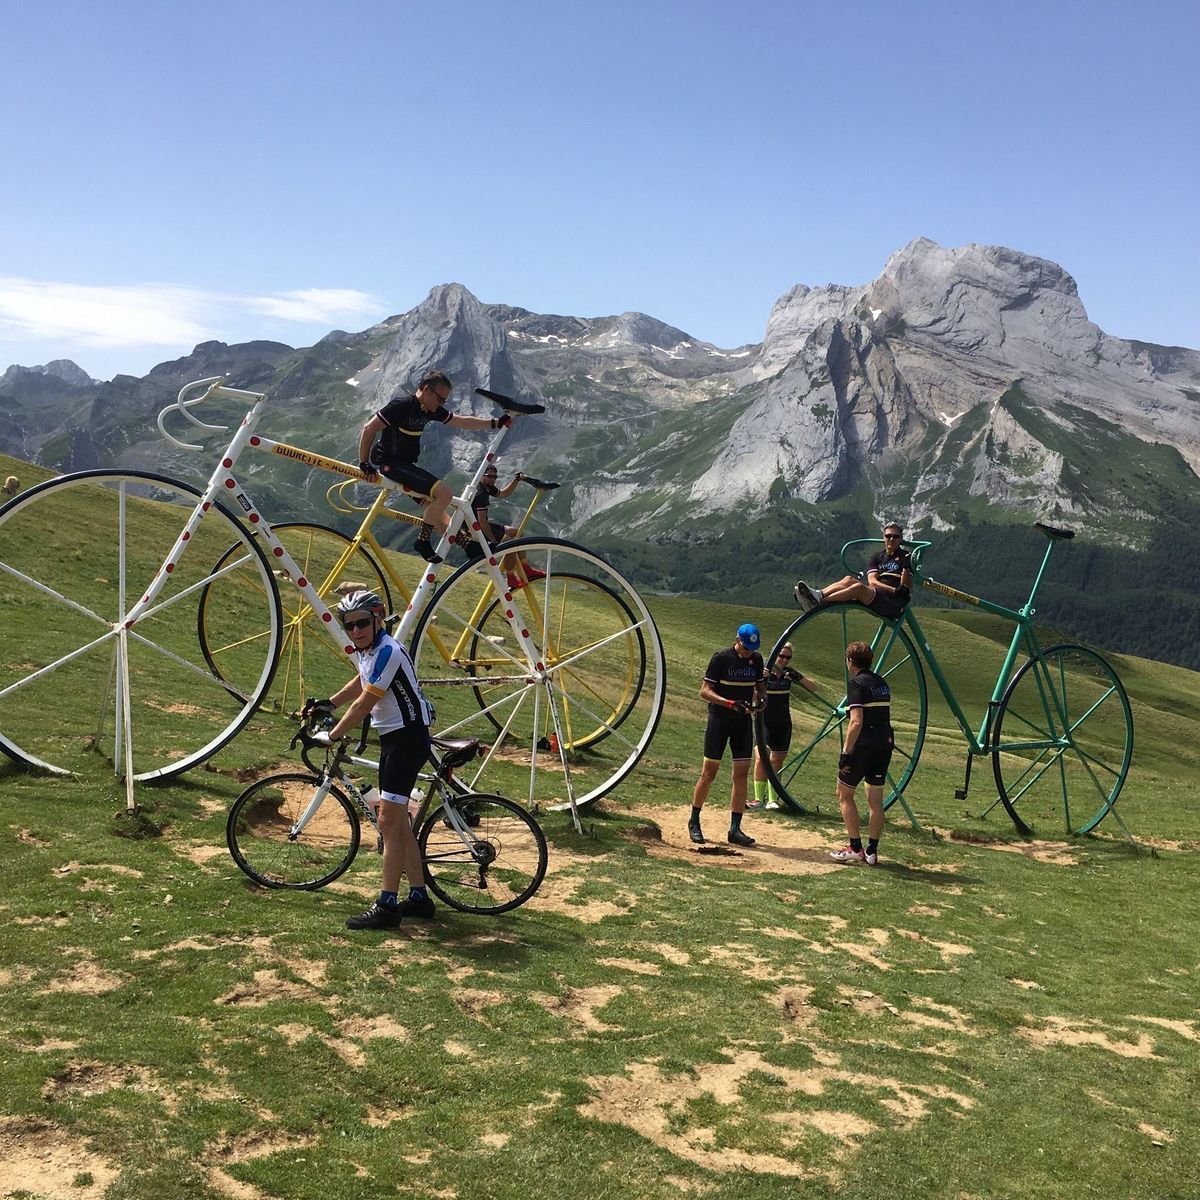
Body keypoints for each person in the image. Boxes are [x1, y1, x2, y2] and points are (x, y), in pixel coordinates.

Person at [306, 589, 436, 929]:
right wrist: (329, 703)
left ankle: (387, 906)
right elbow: (360, 681)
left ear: (378, 619)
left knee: (388, 824)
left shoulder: (388, 651)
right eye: (349, 625)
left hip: (406, 740)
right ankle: (419, 898)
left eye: (362, 623)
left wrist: (333, 735)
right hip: (395, 739)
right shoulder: (370, 651)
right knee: (398, 823)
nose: (355, 631)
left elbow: (364, 704)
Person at [357, 370, 511, 563]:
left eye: (444, 401)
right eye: (440, 399)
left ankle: (469, 546)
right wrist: (364, 463)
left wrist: (495, 423)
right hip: (390, 464)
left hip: (405, 465)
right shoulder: (401, 405)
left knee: (435, 510)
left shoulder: (430, 409)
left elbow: (460, 421)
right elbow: (369, 428)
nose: (442, 404)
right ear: (426, 389)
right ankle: (422, 541)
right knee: (444, 494)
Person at [689, 623, 766, 847]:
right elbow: (704, 691)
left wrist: (762, 699)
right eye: (746, 648)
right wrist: (730, 703)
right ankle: (694, 820)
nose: (749, 652)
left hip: (743, 723)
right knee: (709, 773)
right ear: (737, 640)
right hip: (720, 721)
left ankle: (735, 829)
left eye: (752, 649)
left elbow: (760, 687)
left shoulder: (756, 659)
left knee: (741, 775)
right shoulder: (721, 658)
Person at [829, 640, 893, 865]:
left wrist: (846, 752)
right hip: (884, 744)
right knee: (875, 801)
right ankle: (872, 851)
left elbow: (856, 721)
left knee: (844, 794)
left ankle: (855, 847)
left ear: (850, 660)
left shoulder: (856, 683)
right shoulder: (882, 682)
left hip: (864, 745)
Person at [794, 522, 912, 619]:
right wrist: (893, 590)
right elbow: (872, 581)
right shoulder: (877, 556)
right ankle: (818, 594)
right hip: (877, 594)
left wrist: (906, 568)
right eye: (888, 536)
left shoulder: (906, 557)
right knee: (848, 579)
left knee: (858, 588)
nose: (891, 539)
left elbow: (905, 587)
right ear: (883, 538)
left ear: (900, 539)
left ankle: (819, 603)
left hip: (893, 604)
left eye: (895, 537)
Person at [749, 642, 817, 809]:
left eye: (788, 657)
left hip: (783, 722)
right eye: (781, 656)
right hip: (764, 721)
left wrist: (798, 677)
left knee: (777, 760)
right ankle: (758, 799)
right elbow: (751, 696)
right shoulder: (762, 672)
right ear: (774, 654)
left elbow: (814, 687)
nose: (784, 660)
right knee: (761, 758)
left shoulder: (788, 673)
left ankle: (772, 800)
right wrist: (761, 681)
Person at [470, 464, 546, 589]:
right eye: (490, 476)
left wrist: (516, 480)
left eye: (495, 477)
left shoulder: (487, 487)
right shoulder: (480, 493)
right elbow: (482, 521)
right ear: (482, 475)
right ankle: (511, 578)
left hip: (478, 524)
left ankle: (526, 569)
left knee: (516, 533)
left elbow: (504, 493)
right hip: (475, 527)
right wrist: (492, 540)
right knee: (509, 543)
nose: (493, 480)